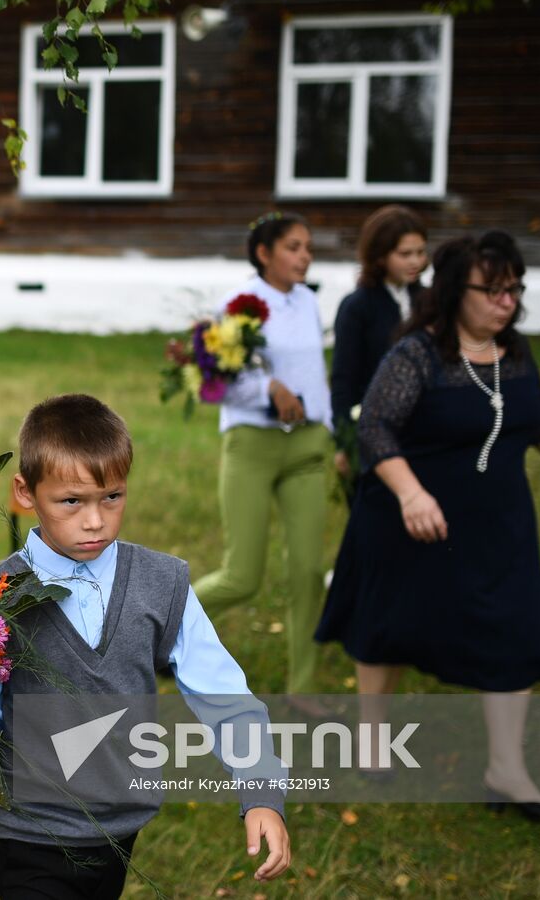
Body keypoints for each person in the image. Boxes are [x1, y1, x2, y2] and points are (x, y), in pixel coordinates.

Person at [0, 394, 289, 898]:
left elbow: (224, 695)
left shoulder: (161, 584)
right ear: (25, 492)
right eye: (71, 501)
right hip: (30, 828)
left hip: (120, 825)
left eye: (112, 497)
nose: (95, 520)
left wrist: (263, 792)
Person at [316, 231, 540, 818]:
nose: (507, 301)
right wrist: (411, 496)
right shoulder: (417, 354)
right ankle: (371, 741)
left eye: (514, 288)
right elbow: (375, 429)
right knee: (389, 624)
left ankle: (506, 772)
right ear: (458, 291)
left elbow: (537, 410)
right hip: (409, 517)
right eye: (493, 289)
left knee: (514, 626)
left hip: (497, 521)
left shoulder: (515, 353)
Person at [192, 213, 333, 711]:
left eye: (308, 247)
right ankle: (156, 632)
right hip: (252, 445)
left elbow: (316, 374)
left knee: (308, 572)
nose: (305, 256)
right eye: (294, 247)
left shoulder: (310, 301)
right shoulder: (236, 306)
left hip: (308, 448)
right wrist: (267, 389)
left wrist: (329, 433)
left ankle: (304, 687)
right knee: (243, 576)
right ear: (264, 253)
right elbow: (215, 383)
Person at [330, 205, 428, 497]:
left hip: (423, 428)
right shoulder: (358, 306)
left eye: (421, 252)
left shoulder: (428, 301)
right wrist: (344, 441)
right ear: (380, 255)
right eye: (405, 254)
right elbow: (344, 377)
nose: (415, 261)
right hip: (375, 428)